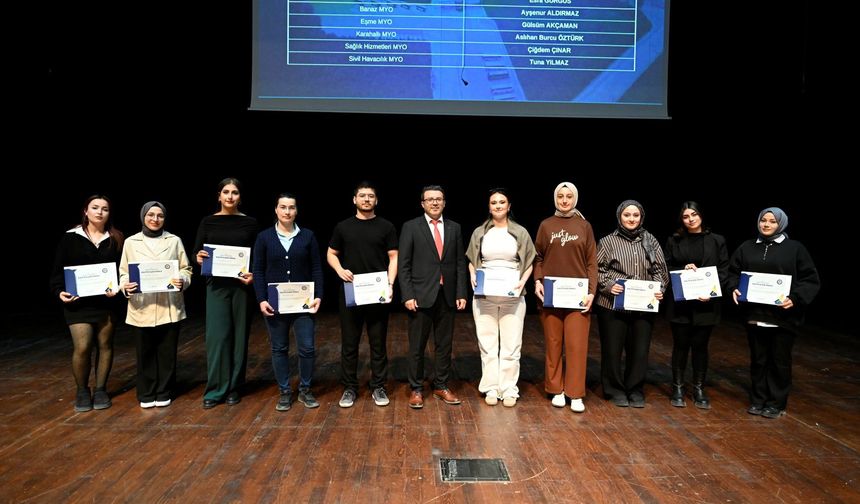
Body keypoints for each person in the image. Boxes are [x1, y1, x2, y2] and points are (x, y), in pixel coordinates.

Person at [728, 207, 820, 419]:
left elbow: (810, 279)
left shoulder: (795, 249)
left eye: (772, 221)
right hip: (755, 314)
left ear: (781, 224)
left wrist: (795, 299)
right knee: (758, 359)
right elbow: (733, 273)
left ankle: (776, 403)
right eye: (763, 220)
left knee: (779, 360)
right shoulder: (746, 247)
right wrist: (733, 287)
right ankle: (758, 399)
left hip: (782, 316)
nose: (767, 224)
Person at [327, 181, 398, 408]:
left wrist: (390, 283)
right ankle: (349, 388)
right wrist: (339, 270)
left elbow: (394, 257)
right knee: (350, 343)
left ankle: (378, 386)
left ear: (376, 201)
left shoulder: (386, 227)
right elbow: (331, 253)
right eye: (362, 196)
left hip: (377, 292)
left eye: (370, 196)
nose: (366, 199)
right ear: (354, 200)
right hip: (351, 291)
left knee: (378, 343)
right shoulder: (343, 227)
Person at [50, 195, 124, 412]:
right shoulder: (70, 237)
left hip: (107, 303)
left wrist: (118, 288)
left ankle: (101, 389)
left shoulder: (116, 238)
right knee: (82, 347)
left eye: (105, 209)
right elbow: (57, 272)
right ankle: (82, 390)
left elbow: (122, 271)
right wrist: (59, 292)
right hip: (78, 304)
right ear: (86, 211)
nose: (100, 212)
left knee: (105, 346)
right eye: (95, 208)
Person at [399, 185, 468, 409]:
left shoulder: (455, 227)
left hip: (447, 295)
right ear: (423, 204)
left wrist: (460, 292)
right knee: (417, 346)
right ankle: (416, 388)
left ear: (444, 202)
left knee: (444, 345)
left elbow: (459, 263)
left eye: (439, 199)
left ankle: (440, 385)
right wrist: (407, 294)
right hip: (420, 296)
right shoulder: (411, 227)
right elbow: (404, 265)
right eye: (430, 200)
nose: (435, 203)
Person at [253, 193, 323, 412]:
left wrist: (318, 295)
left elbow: (316, 268)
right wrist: (262, 299)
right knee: (279, 348)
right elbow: (258, 270)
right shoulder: (264, 237)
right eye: (283, 207)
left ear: (296, 211)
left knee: (307, 348)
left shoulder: (308, 236)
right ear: (276, 210)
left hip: (303, 303)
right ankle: (285, 392)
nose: (287, 211)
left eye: (291, 207)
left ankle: (305, 389)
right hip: (276, 304)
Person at [466, 189, 536, 407]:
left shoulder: (520, 232)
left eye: (502, 202)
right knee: (487, 344)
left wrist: (523, 281)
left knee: (511, 344)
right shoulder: (480, 232)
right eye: (494, 202)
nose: (497, 205)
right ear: (489, 207)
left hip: (512, 295)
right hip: (485, 294)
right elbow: (471, 259)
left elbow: (530, 260)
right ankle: (491, 387)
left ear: (509, 205)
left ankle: (508, 389)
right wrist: (471, 275)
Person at [119, 201, 192, 409]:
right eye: (151, 215)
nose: (155, 219)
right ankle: (146, 392)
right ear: (143, 216)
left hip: (169, 306)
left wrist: (182, 280)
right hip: (142, 306)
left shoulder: (174, 240)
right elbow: (124, 272)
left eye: (160, 215)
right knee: (145, 352)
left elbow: (186, 268)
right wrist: (126, 285)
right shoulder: (131, 242)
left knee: (167, 352)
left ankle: (164, 390)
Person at [596, 199, 669, 408]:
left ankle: (635, 389)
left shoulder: (650, 241)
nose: (631, 219)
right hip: (613, 304)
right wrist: (609, 285)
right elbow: (596, 269)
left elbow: (660, 270)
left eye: (635, 215)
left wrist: (659, 289)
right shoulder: (608, 241)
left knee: (639, 350)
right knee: (612, 349)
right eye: (627, 215)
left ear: (641, 217)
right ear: (620, 216)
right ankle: (614, 389)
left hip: (642, 305)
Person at [193, 178, 259, 409]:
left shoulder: (250, 223)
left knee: (239, 337)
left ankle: (234, 387)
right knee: (218, 338)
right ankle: (215, 389)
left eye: (235, 192)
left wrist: (253, 274)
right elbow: (197, 253)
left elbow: (257, 256)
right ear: (219, 195)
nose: (230, 196)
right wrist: (199, 257)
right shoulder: (208, 221)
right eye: (226, 192)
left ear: (240, 197)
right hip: (217, 286)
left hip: (241, 287)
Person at [533, 182, 597, 413]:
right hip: (551, 295)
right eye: (560, 196)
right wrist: (538, 280)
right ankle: (556, 389)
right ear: (555, 198)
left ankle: (575, 392)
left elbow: (591, 262)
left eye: (569, 196)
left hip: (578, 297)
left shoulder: (584, 226)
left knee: (576, 346)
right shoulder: (546, 225)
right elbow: (537, 256)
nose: (564, 200)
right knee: (553, 344)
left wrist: (591, 292)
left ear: (575, 199)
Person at [664, 201, 729, 409]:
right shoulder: (673, 240)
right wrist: (683, 268)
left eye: (694, 214)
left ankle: (699, 388)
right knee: (680, 346)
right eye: (685, 216)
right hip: (681, 304)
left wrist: (710, 292)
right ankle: (678, 387)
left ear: (701, 216)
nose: (690, 219)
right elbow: (666, 268)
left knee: (700, 348)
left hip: (706, 305)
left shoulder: (717, 241)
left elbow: (724, 270)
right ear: (681, 220)